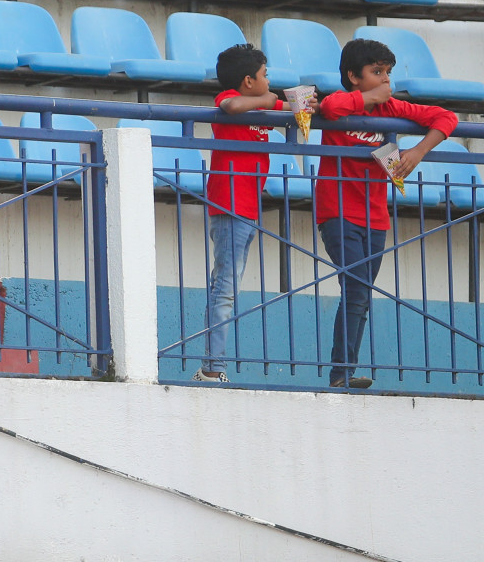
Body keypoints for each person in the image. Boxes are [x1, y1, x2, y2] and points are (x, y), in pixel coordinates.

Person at [314, 38, 456, 389]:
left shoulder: (390, 108)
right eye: (376, 72)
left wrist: (419, 151)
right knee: (358, 288)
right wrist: (369, 98)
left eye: (388, 72)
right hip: (338, 211)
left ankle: (343, 371)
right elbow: (330, 108)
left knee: (360, 295)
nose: (385, 80)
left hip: (375, 217)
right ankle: (340, 373)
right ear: (353, 76)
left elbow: (446, 116)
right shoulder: (344, 103)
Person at [194, 43, 302, 383]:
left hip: (248, 208)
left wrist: (306, 105)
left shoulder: (259, 104)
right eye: (264, 76)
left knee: (227, 286)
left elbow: (291, 108)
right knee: (224, 288)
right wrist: (268, 102)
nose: (269, 81)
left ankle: (214, 364)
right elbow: (232, 105)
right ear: (247, 81)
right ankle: (213, 368)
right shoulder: (230, 98)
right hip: (229, 206)